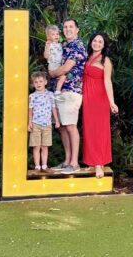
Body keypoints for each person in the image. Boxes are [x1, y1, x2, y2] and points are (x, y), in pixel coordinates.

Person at [48, 19, 87, 174]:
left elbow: (65, 68)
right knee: (63, 127)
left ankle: (74, 163)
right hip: (59, 91)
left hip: (71, 91)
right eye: (65, 27)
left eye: (71, 26)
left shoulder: (78, 45)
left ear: (77, 29)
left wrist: (51, 74)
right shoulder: (63, 46)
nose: (68, 29)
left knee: (70, 126)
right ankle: (67, 161)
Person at [82, 32, 119, 178]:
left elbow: (107, 82)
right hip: (87, 99)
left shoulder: (106, 61)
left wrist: (112, 102)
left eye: (100, 42)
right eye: (95, 41)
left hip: (99, 99)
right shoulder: (87, 57)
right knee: (89, 131)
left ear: (104, 46)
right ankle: (91, 162)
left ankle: (99, 164)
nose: (97, 43)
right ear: (91, 42)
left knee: (99, 131)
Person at [28, 72, 60, 172]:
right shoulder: (32, 96)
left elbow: (53, 108)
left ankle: (44, 166)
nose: (38, 84)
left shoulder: (50, 95)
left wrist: (57, 121)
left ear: (45, 82)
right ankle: (37, 166)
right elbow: (30, 110)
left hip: (47, 124)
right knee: (36, 146)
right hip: (36, 123)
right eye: (36, 82)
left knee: (45, 146)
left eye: (41, 81)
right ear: (33, 84)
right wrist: (29, 122)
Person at [44, 25, 66, 95]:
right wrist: (47, 47)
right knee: (63, 77)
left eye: (57, 34)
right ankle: (57, 91)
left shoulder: (60, 45)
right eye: (53, 34)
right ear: (48, 37)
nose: (56, 36)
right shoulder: (49, 45)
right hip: (53, 66)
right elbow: (46, 56)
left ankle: (59, 90)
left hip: (59, 65)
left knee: (62, 78)